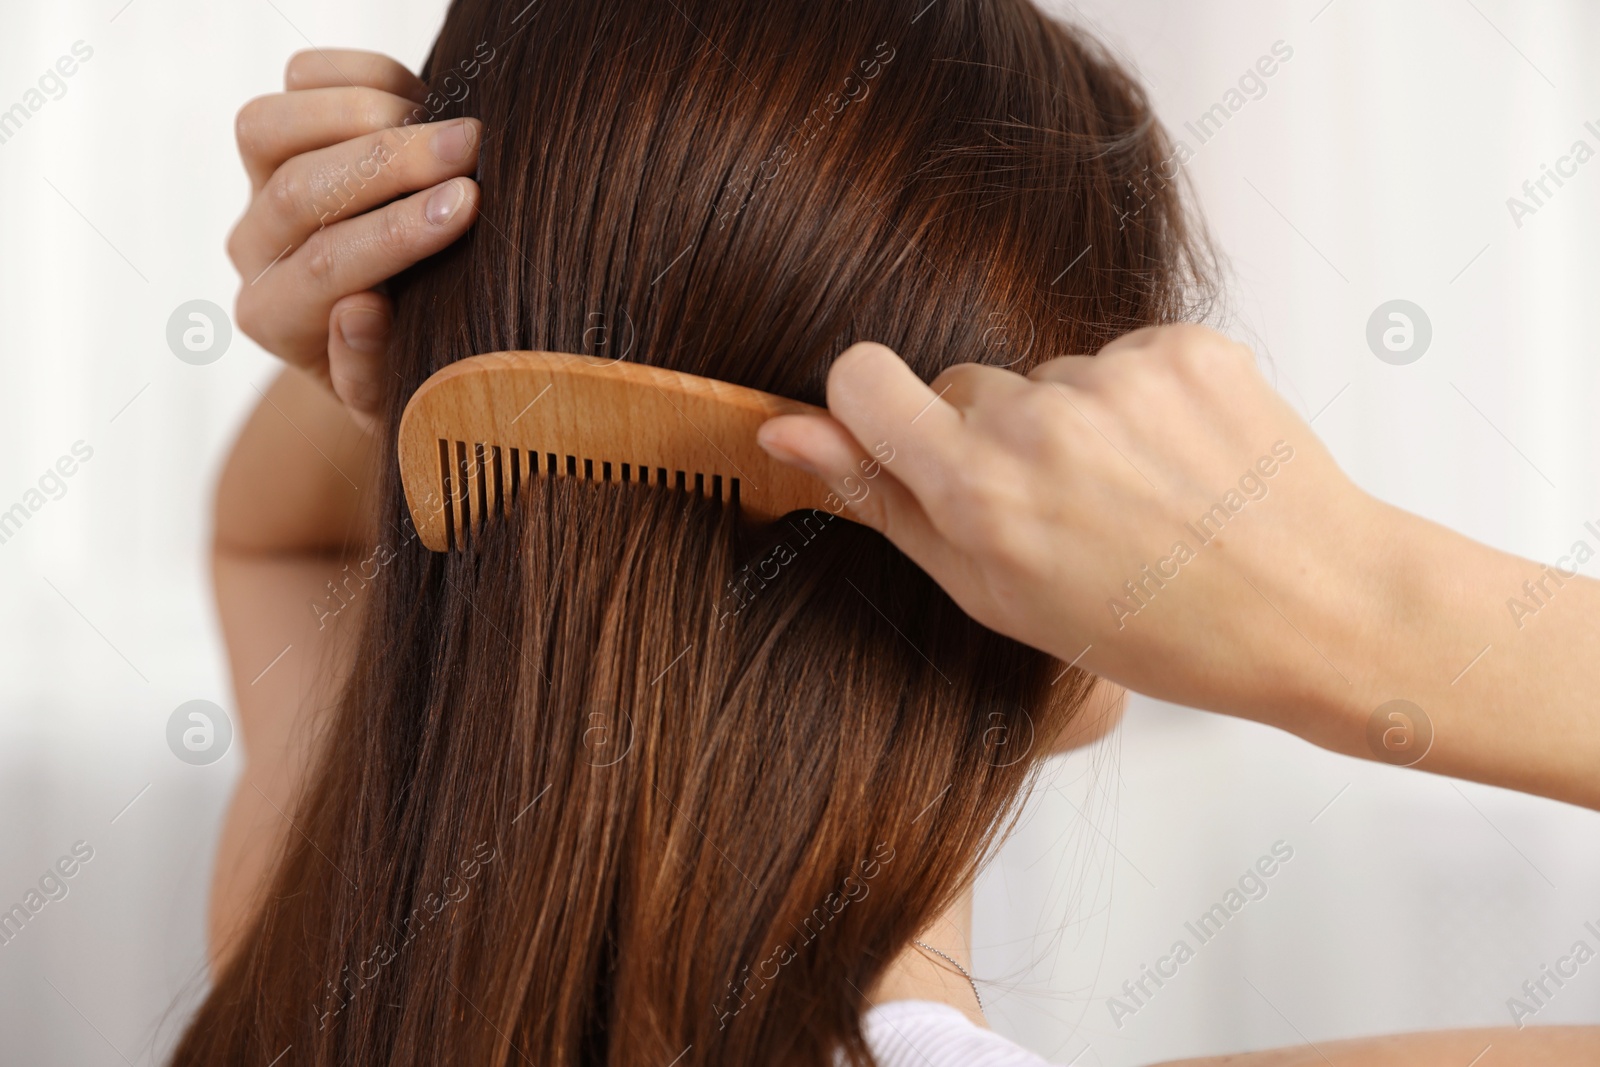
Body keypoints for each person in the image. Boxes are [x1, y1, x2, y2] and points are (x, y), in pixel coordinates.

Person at [191, 7, 1599, 1067]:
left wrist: (448, 321)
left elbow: (276, 542)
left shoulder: (320, 967)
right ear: (1068, 613)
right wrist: (1368, 616)